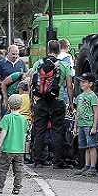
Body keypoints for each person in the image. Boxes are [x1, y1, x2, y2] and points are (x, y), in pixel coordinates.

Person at [30, 39, 74, 169]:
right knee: (57, 131)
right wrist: (71, 103)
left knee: (40, 131)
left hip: (41, 101)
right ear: (59, 50)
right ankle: (57, 161)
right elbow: (69, 85)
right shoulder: (64, 66)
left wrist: (32, 100)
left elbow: (31, 82)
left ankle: (38, 160)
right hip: (58, 101)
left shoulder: (39, 63)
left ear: (48, 50)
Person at [0, 94, 29, 195]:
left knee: (3, 168)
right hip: (19, 150)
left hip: (7, 149)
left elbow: (3, 132)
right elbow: (26, 133)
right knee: (18, 170)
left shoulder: (7, 118)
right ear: (21, 106)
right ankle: (17, 188)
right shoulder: (24, 119)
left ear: (8, 105)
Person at [74, 72, 98, 176]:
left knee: (92, 146)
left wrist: (94, 126)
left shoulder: (93, 97)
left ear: (91, 84)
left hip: (89, 124)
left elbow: (96, 112)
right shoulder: (79, 96)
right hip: (81, 124)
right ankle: (86, 166)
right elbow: (77, 112)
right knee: (85, 147)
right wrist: (75, 126)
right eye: (81, 82)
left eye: (84, 82)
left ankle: (92, 168)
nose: (82, 84)